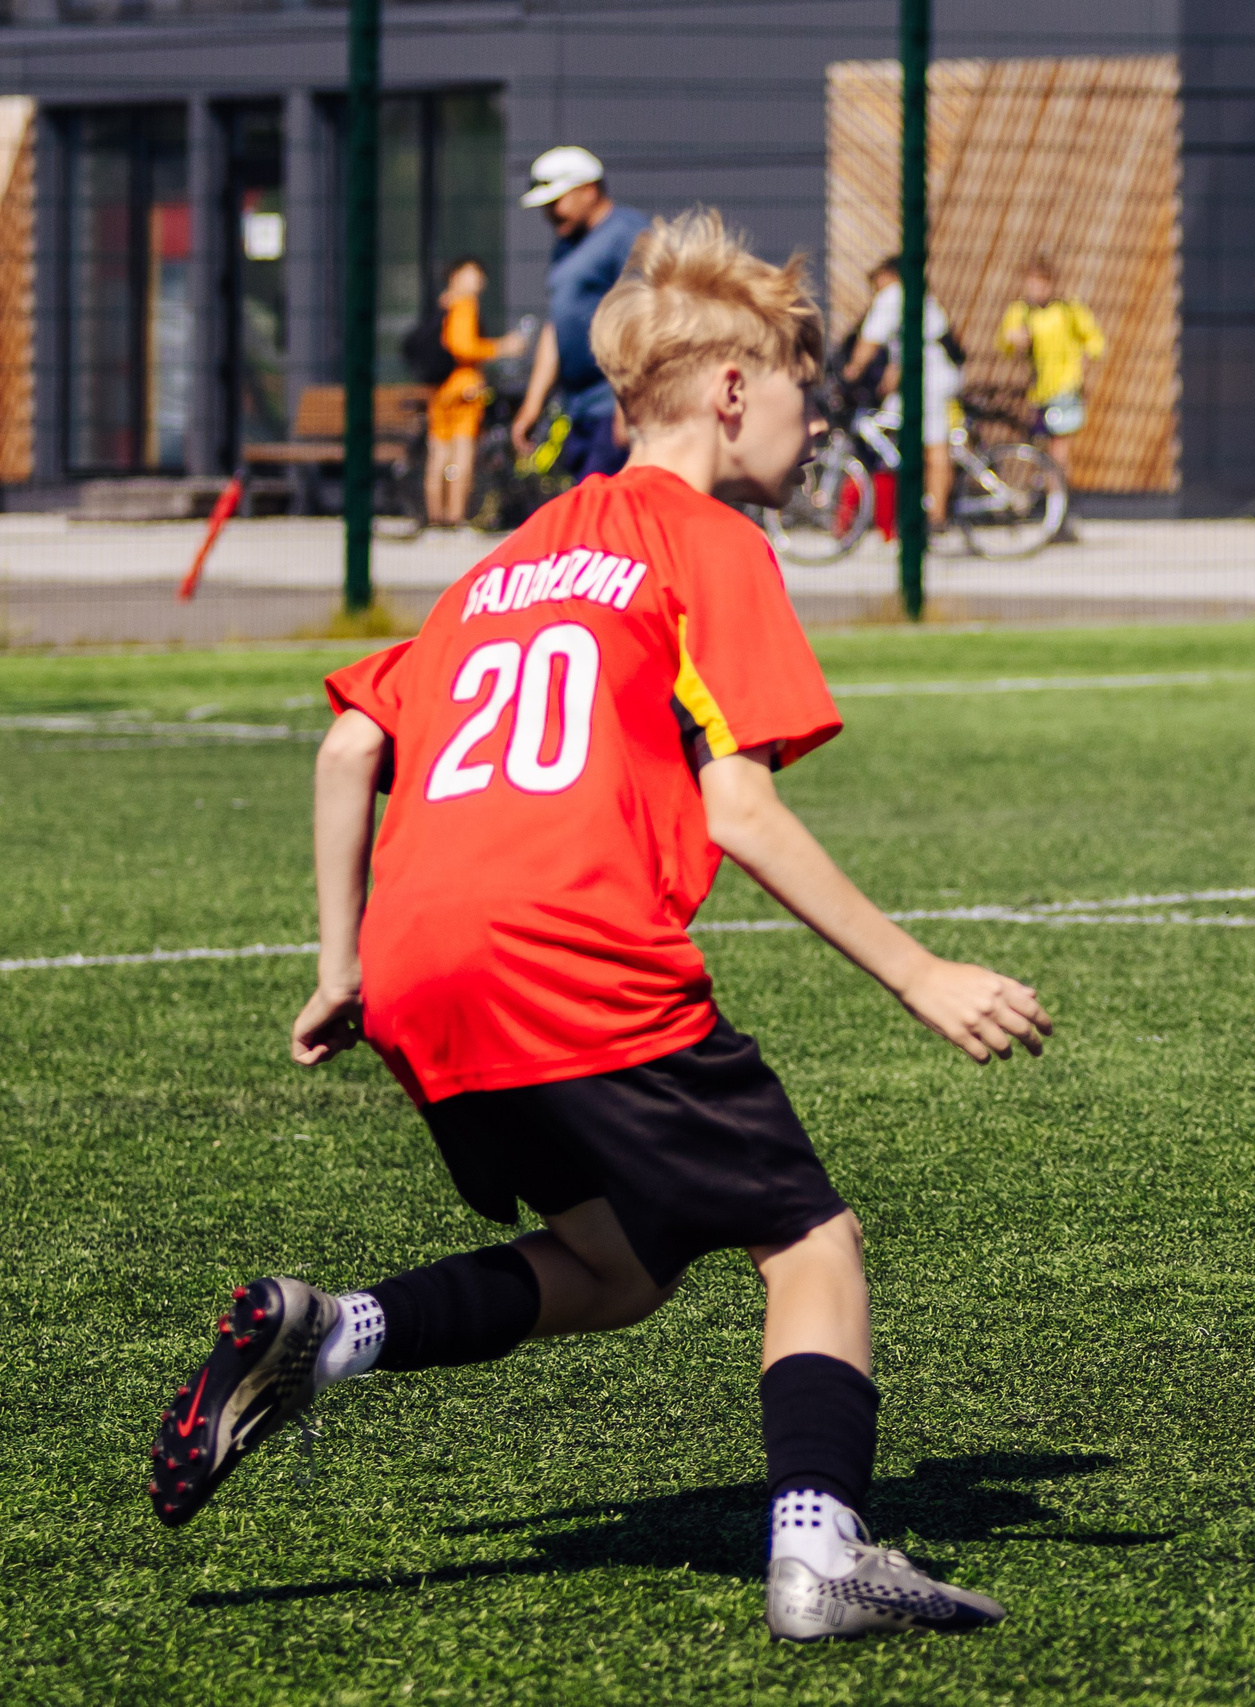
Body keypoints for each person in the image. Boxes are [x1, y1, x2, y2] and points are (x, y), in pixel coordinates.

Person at [144, 211, 1052, 1642]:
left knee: (619, 1268)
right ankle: (822, 1554)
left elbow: (344, 754)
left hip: (421, 974)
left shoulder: (501, 563)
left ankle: (332, 1333)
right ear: (737, 392)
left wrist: (340, 968)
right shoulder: (710, 542)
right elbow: (739, 811)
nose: (819, 425)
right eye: (807, 392)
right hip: (570, 953)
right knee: (810, 1241)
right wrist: (919, 969)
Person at [512, 146, 651, 482]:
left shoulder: (628, 234)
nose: (549, 214)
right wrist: (533, 405)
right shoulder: (566, 246)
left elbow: (646, 320)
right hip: (580, 410)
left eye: (555, 202)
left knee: (607, 514)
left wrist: (628, 403)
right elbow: (556, 326)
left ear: (589, 190)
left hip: (614, 408)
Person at [845, 256, 959, 528]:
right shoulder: (916, 292)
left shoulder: (894, 295)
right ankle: (914, 499)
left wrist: (850, 373)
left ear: (889, 275)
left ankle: (936, 517)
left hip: (930, 377)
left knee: (934, 444)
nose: (874, 289)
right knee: (890, 422)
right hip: (924, 373)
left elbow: (869, 342)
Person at [424, 257, 525, 527]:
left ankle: (436, 516)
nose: (479, 281)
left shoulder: (443, 304)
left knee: (439, 457)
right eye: (473, 274)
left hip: (441, 390)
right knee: (460, 457)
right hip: (465, 389)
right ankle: (453, 517)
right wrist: (502, 347)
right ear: (456, 275)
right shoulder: (465, 304)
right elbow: (463, 346)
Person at [997, 257, 1105, 486]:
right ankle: (1051, 497)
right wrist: (1015, 340)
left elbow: (1095, 342)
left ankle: (1058, 500)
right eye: (1031, 283)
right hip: (1038, 391)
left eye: (1041, 283)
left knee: (1059, 447)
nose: (1036, 289)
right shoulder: (1021, 312)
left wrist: (1083, 362)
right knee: (1040, 448)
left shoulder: (1067, 310)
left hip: (1064, 387)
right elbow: (1004, 342)